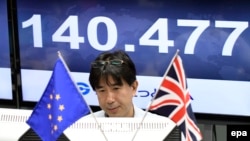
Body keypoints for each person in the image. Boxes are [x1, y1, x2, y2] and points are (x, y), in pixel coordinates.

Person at [87, 50, 164, 118]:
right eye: (102, 90)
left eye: (116, 88)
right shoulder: (83, 127)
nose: (109, 100)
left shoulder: (163, 128)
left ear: (133, 87)